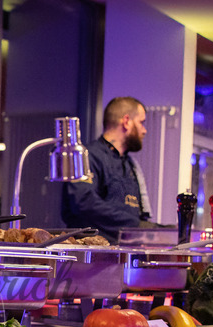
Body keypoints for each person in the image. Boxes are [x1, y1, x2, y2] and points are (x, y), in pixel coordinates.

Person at [61, 96, 152, 243]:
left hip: (123, 255)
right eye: (141, 123)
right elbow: (84, 202)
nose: (144, 130)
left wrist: (149, 230)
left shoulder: (131, 165)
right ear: (126, 121)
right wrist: (137, 226)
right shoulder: (88, 156)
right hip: (92, 256)